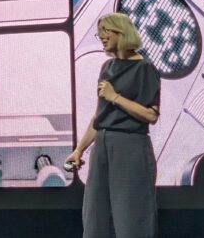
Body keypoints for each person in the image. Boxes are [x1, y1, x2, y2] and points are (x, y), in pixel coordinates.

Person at [66, 12, 162, 238]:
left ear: (121, 32)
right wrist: (79, 150)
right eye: (99, 33)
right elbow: (100, 117)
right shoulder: (107, 67)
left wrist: (115, 97)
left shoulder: (145, 68)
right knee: (94, 216)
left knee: (131, 218)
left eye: (106, 31)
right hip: (102, 146)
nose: (101, 36)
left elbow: (151, 115)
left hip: (130, 146)